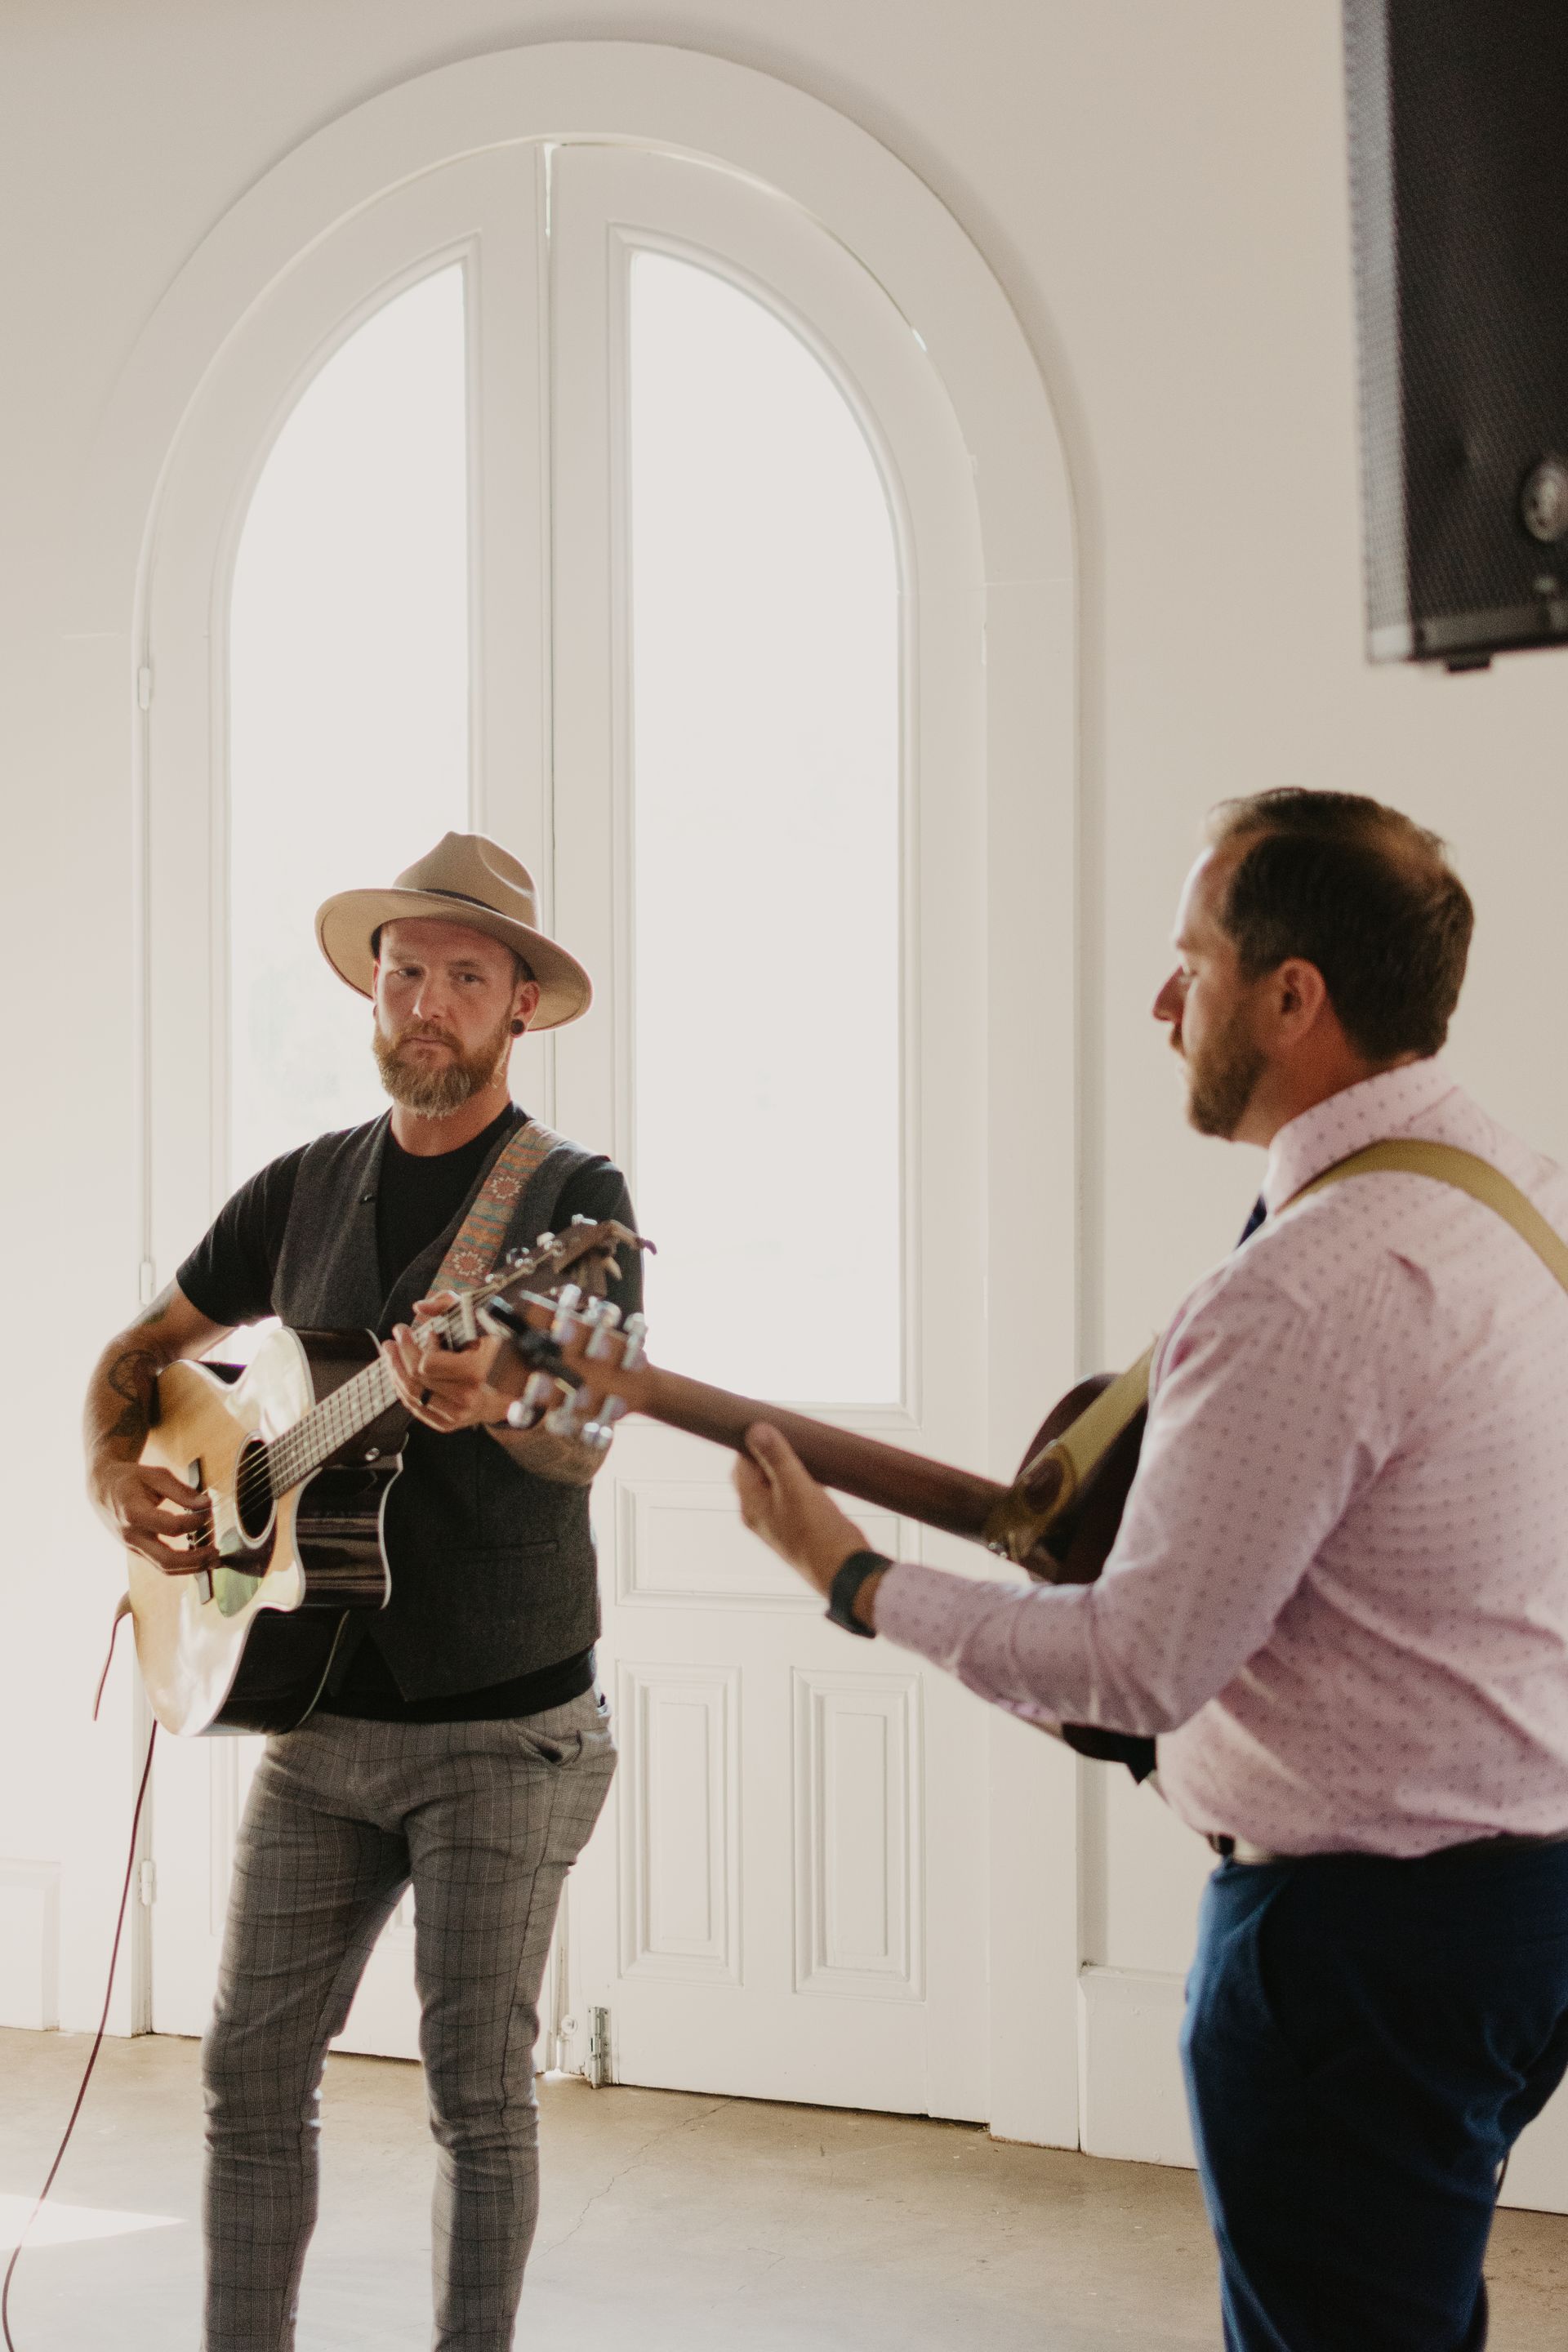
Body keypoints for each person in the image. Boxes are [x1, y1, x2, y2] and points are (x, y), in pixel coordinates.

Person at [732, 789, 1568, 2352]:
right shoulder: (1509, 1189)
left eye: (1194, 960)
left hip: (1357, 1954)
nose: (1166, 1002)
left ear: (1293, 996)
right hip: (1522, 1909)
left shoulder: (1311, 1284)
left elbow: (1139, 1666)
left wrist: (850, 1580)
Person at [84, 832, 637, 2352]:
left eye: (470, 976)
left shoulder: (571, 1202)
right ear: (371, 994)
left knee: (475, 2094)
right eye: (408, 971)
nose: (432, 1002)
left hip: (506, 1727)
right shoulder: (306, 1189)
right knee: (246, 2078)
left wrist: (498, 1403)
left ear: (522, 1007)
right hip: (318, 1715)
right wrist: (121, 1476)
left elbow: (585, 1439)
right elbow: (135, 1364)